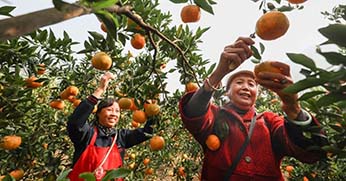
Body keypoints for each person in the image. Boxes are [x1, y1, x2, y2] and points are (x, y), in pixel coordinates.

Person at [179, 37, 326, 180]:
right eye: (239, 82)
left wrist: (293, 108)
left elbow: (310, 153)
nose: (245, 87)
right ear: (227, 92)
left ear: (257, 92)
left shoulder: (269, 121)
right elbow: (194, 114)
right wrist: (219, 73)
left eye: (251, 84)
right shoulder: (216, 115)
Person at [67, 72, 153, 181]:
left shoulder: (121, 137)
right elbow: (75, 122)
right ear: (98, 113)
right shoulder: (87, 134)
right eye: (109, 110)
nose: (114, 114)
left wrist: (151, 109)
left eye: (117, 111)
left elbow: (148, 132)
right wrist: (100, 90)